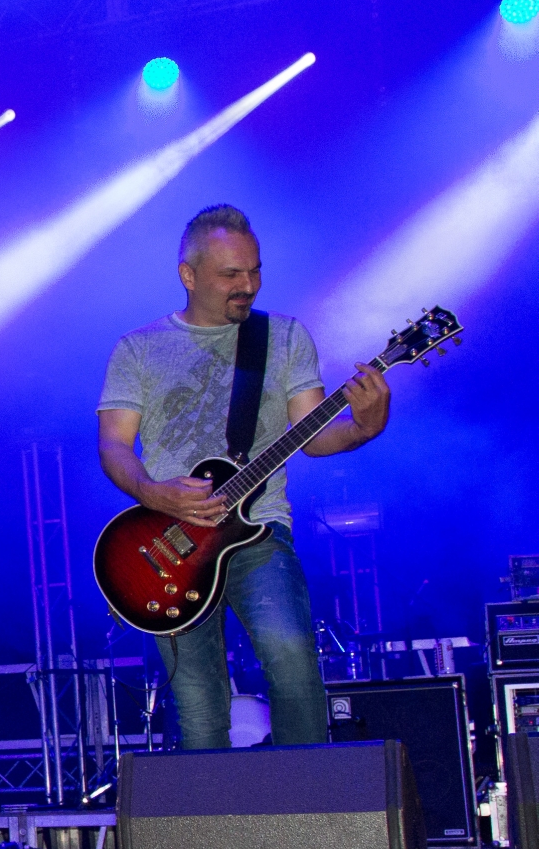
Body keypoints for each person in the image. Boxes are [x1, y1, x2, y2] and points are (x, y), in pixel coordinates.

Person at [97, 204, 390, 750]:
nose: (248, 285)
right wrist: (154, 493)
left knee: (292, 658)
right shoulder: (138, 349)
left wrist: (362, 428)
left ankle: (308, 797)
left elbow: (312, 434)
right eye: (231, 274)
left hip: (260, 532)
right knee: (199, 708)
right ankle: (212, 809)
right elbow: (114, 446)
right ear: (188, 275)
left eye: (255, 271)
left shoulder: (283, 337)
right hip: (169, 543)